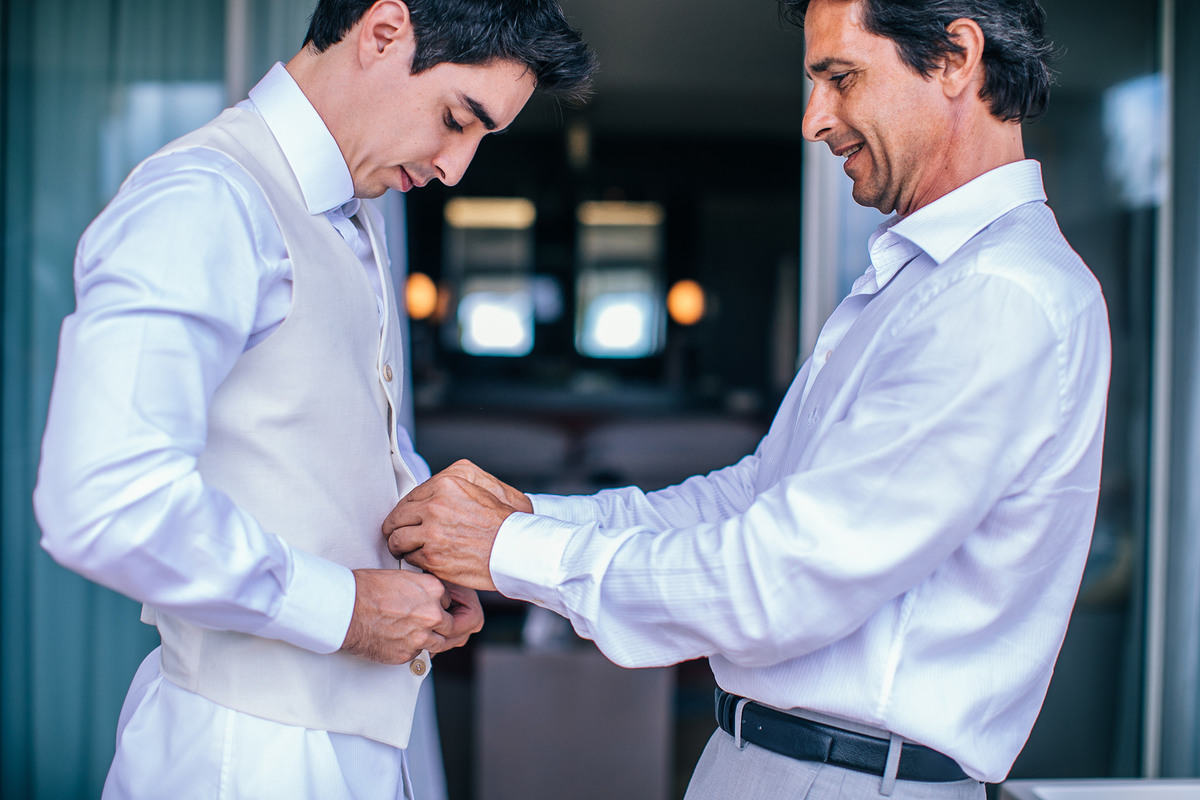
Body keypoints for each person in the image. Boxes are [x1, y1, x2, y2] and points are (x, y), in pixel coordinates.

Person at [383, 0, 1111, 798]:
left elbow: (780, 580)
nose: (812, 120)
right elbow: (750, 501)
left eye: (840, 77)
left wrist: (509, 550)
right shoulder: (925, 283)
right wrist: (523, 519)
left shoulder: (996, 296)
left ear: (956, 58)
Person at [32, 1, 594, 798]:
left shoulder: (355, 209)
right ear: (384, 31)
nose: (455, 168)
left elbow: (303, 441)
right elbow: (102, 498)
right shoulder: (206, 198)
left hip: (370, 743)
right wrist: (344, 609)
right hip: (245, 755)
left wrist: (426, 545)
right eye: (455, 119)